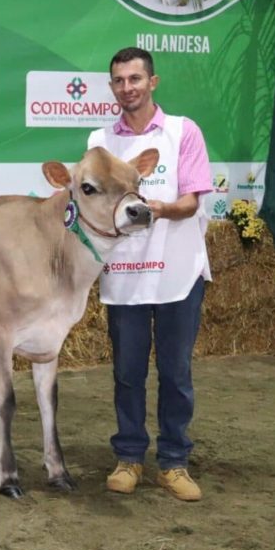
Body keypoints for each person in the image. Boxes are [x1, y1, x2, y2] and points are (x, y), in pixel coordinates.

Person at [89, 47, 211, 502]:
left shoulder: (183, 132)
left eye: (135, 79)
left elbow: (191, 202)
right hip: (125, 276)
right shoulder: (100, 143)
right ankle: (129, 457)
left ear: (152, 82)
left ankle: (174, 462)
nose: (127, 88)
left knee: (176, 371)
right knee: (127, 372)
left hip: (178, 273)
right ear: (112, 87)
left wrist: (152, 207)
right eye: (119, 80)